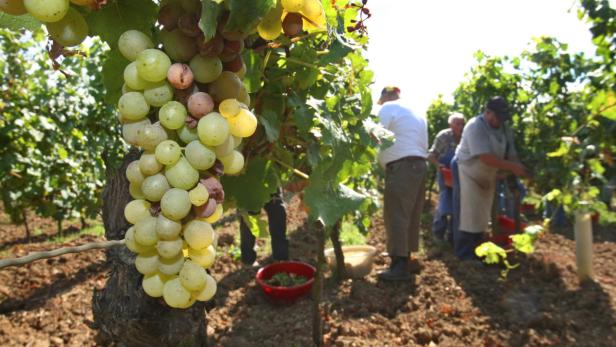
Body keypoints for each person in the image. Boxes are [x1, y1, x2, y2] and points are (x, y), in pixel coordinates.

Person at [451, 96, 530, 260]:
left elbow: (511, 153)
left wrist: (518, 168)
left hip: (486, 173)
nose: (500, 122)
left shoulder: (504, 128)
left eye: (502, 119)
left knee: (481, 212)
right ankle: (464, 254)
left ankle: (477, 249)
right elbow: (485, 157)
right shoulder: (475, 126)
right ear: (487, 113)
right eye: (497, 118)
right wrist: (512, 167)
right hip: (466, 168)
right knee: (467, 212)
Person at [376, 86, 428, 281]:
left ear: (386, 96)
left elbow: (375, 134)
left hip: (402, 168)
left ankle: (398, 267)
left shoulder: (388, 108)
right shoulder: (414, 111)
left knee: (396, 214)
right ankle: (407, 259)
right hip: (419, 166)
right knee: (411, 215)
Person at [427, 113, 465, 244]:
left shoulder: (466, 138)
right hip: (446, 173)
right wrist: (439, 165)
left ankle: (452, 235)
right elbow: (431, 155)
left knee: (458, 205)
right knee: (445, 201)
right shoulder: (444, 136)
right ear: (451, 125)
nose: (461, 126)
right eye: (458, 123)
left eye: (462, 123)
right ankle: (438, 233)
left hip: (461, 176)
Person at [239, 188, 289, 266]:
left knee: (278, 215)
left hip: (271, 185)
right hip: (249, 187)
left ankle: (280, 258)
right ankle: (248, 260)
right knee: (249, 222)